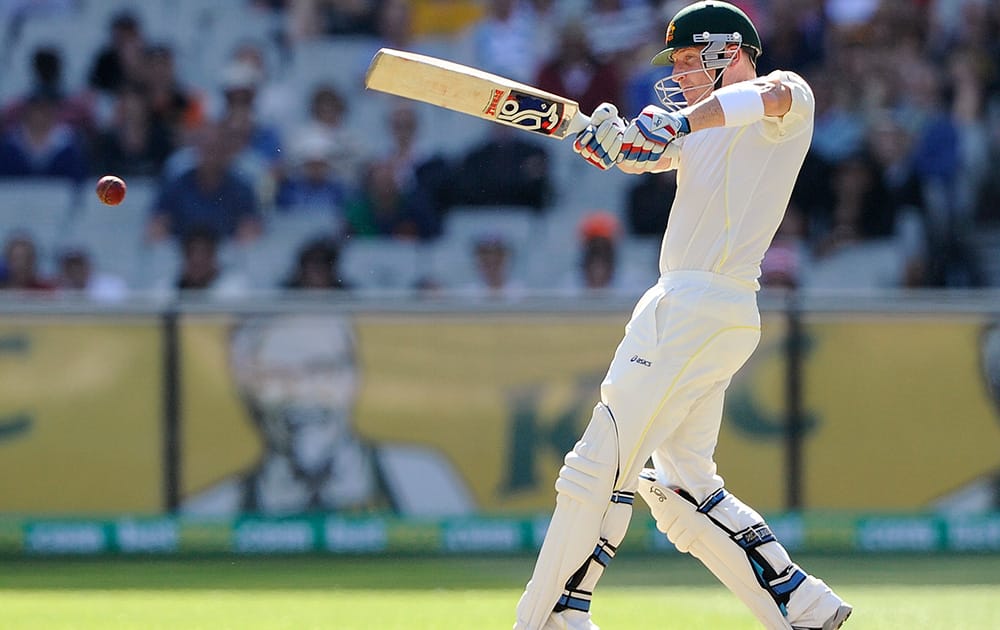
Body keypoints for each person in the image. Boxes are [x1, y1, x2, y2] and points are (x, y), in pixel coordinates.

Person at [514, 3, 852, 630]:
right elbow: (646, 153)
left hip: (695, 305)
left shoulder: (784, 96)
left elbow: (766, 96)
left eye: (691, 62)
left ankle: (552, 615)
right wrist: (607, 140)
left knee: (597, 464)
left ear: (729, 50)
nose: (682, 76)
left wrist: (676, 121)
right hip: (713, 315)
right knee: (680, 487)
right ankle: (802, 604)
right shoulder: (700, 126)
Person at [181, 313, 475, 516]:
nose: (302, 392)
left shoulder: (420, 478)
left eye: (321, 369)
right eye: (278, 375)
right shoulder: (212, 509)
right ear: (247, 391)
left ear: (354, 378)